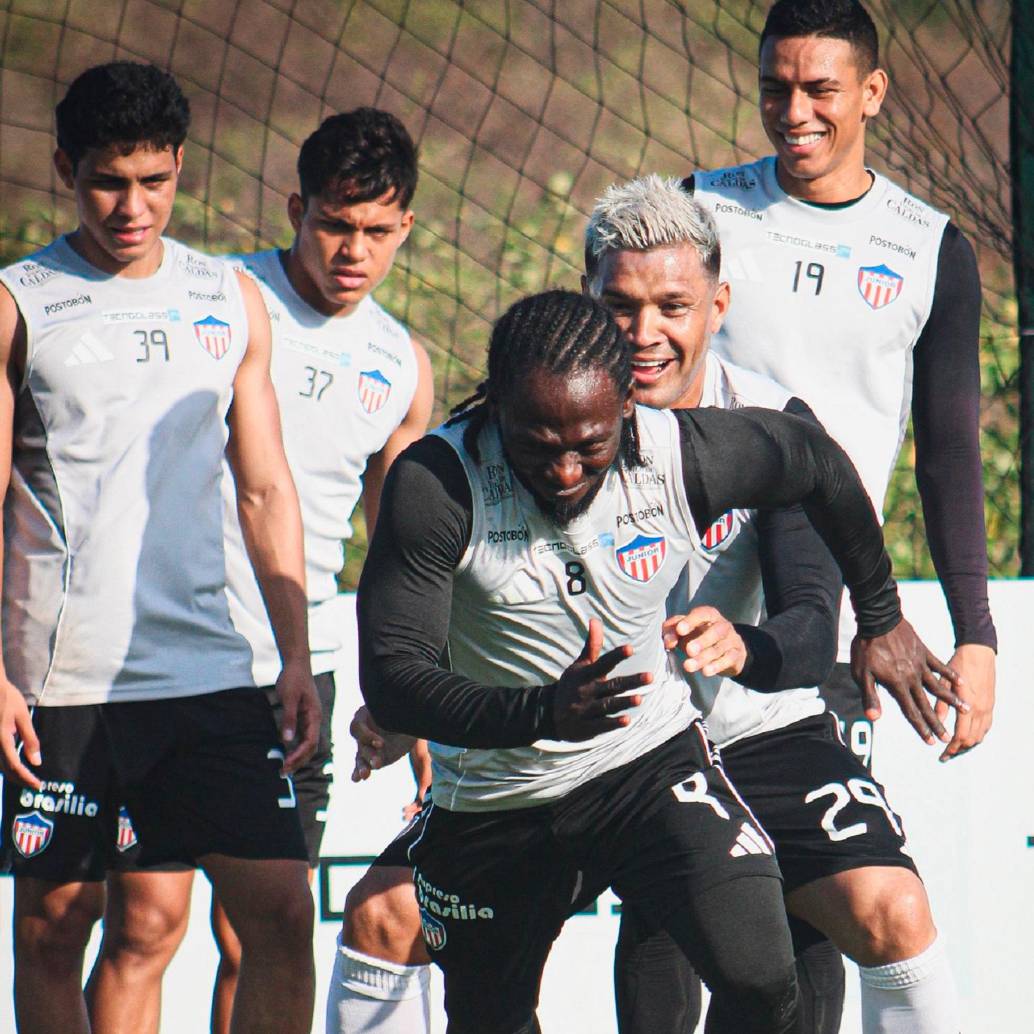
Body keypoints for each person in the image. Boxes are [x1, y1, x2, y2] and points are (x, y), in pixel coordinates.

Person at [344, 286, 963, 1034]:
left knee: (764, 980)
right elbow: (393, 680)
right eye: (540, 445)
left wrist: (881, 615)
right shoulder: (438, 484)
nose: (568, 470)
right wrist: (541, 711)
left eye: (591, 446)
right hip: (495, 796)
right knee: (491, 1019)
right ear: (497, 409)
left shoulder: (680, 452)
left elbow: (817, 463)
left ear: (627, 411)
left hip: (647, 766)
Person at [640, 1, 999, 1029]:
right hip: (673, 595)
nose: (790, 112)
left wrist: (972, 633)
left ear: (871, 94)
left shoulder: (928, 246)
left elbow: (946, 457)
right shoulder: (697, 207)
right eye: (772, 88)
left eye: (818, 90)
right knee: (669, 910)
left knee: (803, 920)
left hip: (823, 611)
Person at [585, 175, 967, 1034]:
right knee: (391, 920)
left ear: (718, 304)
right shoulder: (545, 427)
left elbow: (806, 618)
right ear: (587, 300)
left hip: (761, 728)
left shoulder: (773, 424)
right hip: (606, 751)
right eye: (620, 306)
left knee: (892, 914)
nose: (646, 336)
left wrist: (741, 647)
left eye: (673, 306)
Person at [84, 108, 435, 1034]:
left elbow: (402, 554)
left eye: (376, 231)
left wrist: (417, 700)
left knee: (268, 929)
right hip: (166, 656)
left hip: (291, 674)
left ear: (405, 230)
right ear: (295, 209)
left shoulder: (400, 363)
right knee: (146, 925)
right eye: (333, 224)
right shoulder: (218, 299)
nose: (352, 250)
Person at [0, 62, 321, 1034]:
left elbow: (265, 488)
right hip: (65, 683)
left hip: (211, 673)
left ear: (179, 167)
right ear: (65, 167)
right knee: (56, 929)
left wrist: (296, 651)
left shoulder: (227, 298)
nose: (132, 205)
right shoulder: (20, 301)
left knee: (280, 913)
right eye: (107, 180)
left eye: (153, 180)